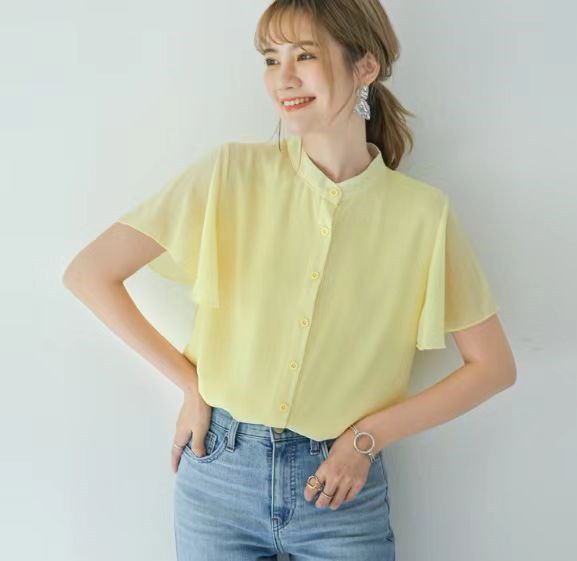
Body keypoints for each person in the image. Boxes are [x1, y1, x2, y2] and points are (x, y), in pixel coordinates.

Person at [63, 1, 517, 559]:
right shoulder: (230, 173)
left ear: (365, 66)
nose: (283, 78)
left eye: (304, 56)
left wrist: (367, 438)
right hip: (218, 472)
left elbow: (493, 366)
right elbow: (90, 273)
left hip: (341, 489)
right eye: (270, 59)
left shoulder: (423, 216)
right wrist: (190, 385)